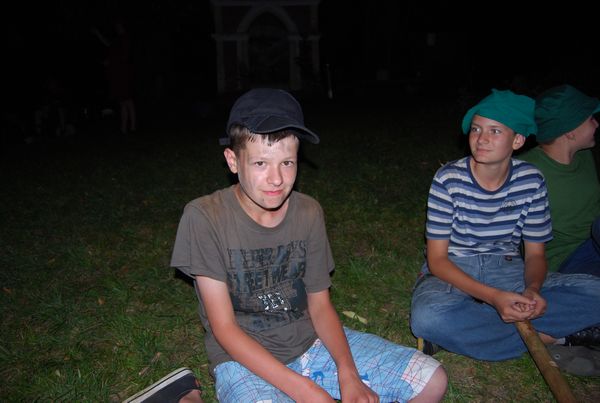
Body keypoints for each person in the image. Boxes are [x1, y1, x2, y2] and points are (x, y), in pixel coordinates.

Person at [171, 88, 448, 402]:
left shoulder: (308, 212)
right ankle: (185, 394)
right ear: (233, 161)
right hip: (243, 359)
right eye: (260, 163)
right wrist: (306, 390)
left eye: (287, 162)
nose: (277, 178)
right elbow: (224, 328)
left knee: (431, 380)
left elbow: (320, 305)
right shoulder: (205, 217)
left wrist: (347, 371)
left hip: (310, 343)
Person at [410, 89, 600, 376]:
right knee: (427, 317)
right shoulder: (448, 179)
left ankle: (478, 331)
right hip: (454, 267)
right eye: (476, 129)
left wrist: (532, 290)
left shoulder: (531, 180)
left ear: (518, 140)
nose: (481, 138)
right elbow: (437, 260)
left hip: (507, 267)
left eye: (495, 131)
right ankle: (551, 336)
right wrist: (495, 298)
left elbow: (535, 254)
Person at [519, 84, 600, 276]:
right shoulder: (525, 172)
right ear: (570, 131)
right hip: (566, 258)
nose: (597, 124)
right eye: (591, 119)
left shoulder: (583, 154)